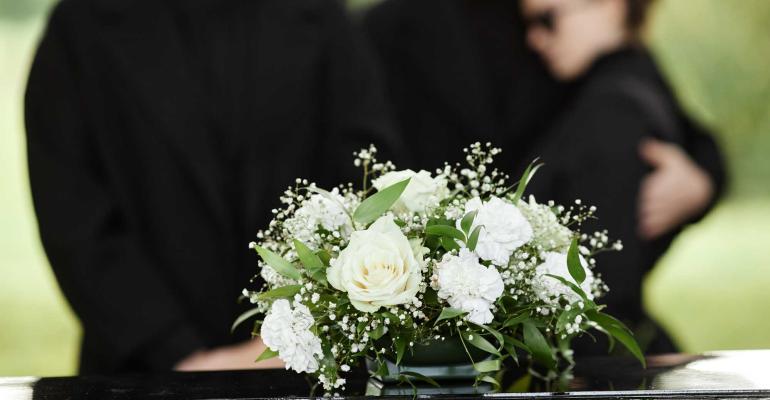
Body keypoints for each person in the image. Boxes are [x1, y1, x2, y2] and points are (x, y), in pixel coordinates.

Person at [26, 0, 398, 373]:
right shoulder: (80, 23)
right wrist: (175, 350)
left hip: (302, 367)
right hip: (140, 372)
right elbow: (71, 209)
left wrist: (301, 327)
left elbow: (367, 174)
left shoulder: (320, 13)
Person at [363, 0, 725, 353]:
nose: (537, 40)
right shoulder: (387, 26)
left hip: (576, 327)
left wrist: (701, 183)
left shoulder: (595, 54)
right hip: (427, 306)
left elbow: (680, 125)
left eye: (546, 23)